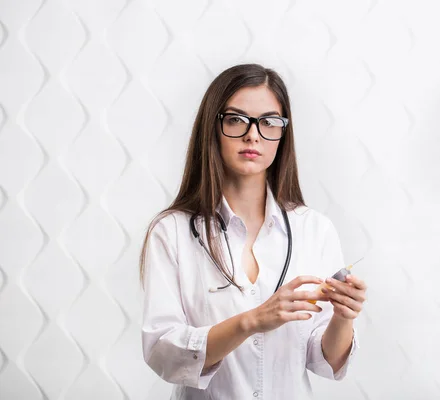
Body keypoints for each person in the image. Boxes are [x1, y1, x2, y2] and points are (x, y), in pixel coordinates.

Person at [139, 63, 367, 399]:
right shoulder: (171, 231)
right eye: (235, 119)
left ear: (282, 133)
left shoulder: (314, 229)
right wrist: (251, 321)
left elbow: (327, 360)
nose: (253, 134)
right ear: (212, 128)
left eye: (269, 122)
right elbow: (164, 353)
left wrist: (344, 318)